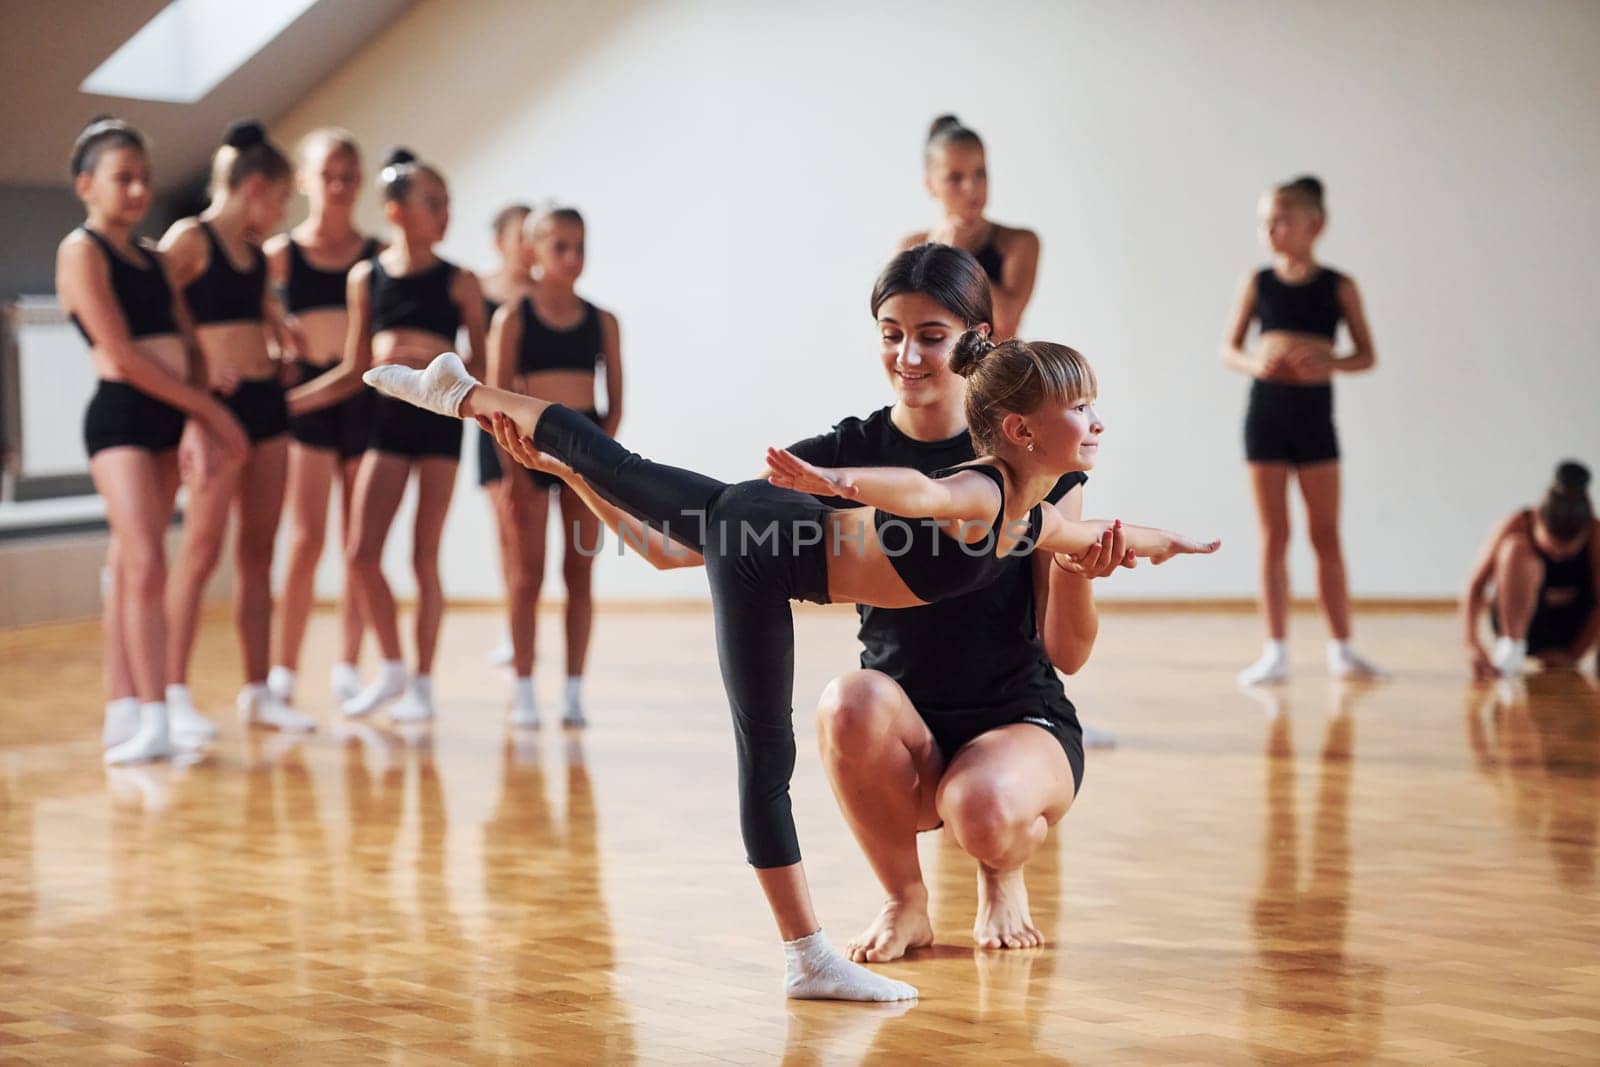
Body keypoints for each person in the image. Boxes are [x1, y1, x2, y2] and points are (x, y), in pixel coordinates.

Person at [366, 333, 1217, 1001]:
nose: (1099, 421)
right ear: (1023, 432)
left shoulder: (1031, 515)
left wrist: (1172, 542)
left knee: (615, 466)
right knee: (764, 751)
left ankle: (462, 391)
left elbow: (1104, 536)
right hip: (759, 545)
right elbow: (921, 492)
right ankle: (807, 957)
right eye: (1084, 408)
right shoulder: (986, 493)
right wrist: (837, 479)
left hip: (763, 526)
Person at [498, 245, 1129, 958]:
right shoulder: (842, 453)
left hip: (1021, 721)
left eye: (931, 335)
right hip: (905, 727)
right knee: (846, 700)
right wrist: (568, 469)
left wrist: (1077, 569)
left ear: (978, 339)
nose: (909, 356)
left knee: (981, 808)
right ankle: (906, 900)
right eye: (891, 334)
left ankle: (1001, 872)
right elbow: (680, 544)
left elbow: (1068, 654)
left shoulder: (1033, 453)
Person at [56, 116, 248, 764]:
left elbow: (189, 344)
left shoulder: (156, 261)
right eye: (122, 178)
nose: (138, 190)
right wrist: (212, 414)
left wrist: (196, 414)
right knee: (144, 558)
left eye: (144, 178)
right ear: (86, 184)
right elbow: (123, 354)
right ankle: (153, 714)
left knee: (133, 562)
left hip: (171, 414)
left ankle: (124, 708)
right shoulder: (80, 251)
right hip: (122, 417)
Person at [287, 147, 488, 722]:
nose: (445, 213)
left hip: (442, 422)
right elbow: (354, 369)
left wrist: (444, 367)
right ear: (397, 211)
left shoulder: (460, 281)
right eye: (433, 203)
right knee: (359, 552)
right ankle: (394, 667)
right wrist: (290, 401)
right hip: (386, 421)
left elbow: (482, 361)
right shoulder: (365, 278)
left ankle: (423, 681)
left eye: (447, 203)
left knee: (425, 555)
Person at [160, 120, 315, 732]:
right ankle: (169, 693)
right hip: (214, 410)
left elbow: (260, 315)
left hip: (265, 404)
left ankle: (258, 691)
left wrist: (280, 337)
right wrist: (194, 384)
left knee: (259, 550)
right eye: (281, 199)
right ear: (255, 187)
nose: (281, 213)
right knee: (202, 549)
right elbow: (152, 309)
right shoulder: (189, 240)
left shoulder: (252, 256)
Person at [1221, 175, 1382, 686]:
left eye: (1281, 220)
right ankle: (1275, 651)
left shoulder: (1339, 286)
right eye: (1265, 221)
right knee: (1274, 535)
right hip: (1265, 417)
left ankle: (1342, 647)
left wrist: (1328, 360)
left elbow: (1366, 355)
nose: (1270, 229)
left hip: (1315, 420)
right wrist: (1257, 364)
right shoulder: (1258, 282)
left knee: (1325, 533)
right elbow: (1229, 349)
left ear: (1315, 224)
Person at [486, 206, 622, 727]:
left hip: (584, 456)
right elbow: (495, 400)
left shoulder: (601, 320)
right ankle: (523, 687)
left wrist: (598, 463)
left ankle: (572, 690)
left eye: (579, 247)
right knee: (526, 576)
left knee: (579, 571)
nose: (571, 258)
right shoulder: (513, 317)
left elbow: (614, 402)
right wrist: (515, 471)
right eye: (559, 246)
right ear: (534, 250)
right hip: (527, 450)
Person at [265, 128, 382, 708]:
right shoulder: (281, 255)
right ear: (305, 181)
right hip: (309, 402)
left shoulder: (375, 256)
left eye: (347, 176)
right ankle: (283, 669)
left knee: (358, 540)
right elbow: (259, 324)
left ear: (359, 183)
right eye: (326, 175)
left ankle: (348, 665)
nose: (337, 186)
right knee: (306, 539)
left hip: (362, 401)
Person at [900, 115, 1039, 340]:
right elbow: (905, 328)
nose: (971, 187)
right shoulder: (910, 247)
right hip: (936, 374)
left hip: (998, 375)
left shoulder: (1018, 242)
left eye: (980, 173)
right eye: (955, 178)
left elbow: (1005, 325)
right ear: (930, 185)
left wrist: (957, 257)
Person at [1462, 461, 1599, 678]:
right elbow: (1476, 585)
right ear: (1539, 521)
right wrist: (1472, 645)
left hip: (1569, 630)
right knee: (1514, 549)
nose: (1558, 557)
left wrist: (1573, 656)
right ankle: (1511, 649)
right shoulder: (1517, 523)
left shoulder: (1594, 533)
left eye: (1566, 554)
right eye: (1551, 550)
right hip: (1520, 625)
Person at [474, 203, 534, 671]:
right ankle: (514, 630)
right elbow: (470, 356)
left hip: (539, 426)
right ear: (500, 242)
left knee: (538, 540)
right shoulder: (479, 292)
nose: (530, 246)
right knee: (507, 529)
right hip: (494, 423)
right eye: (522, 235)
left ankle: (524, 631)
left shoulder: (546, 295)